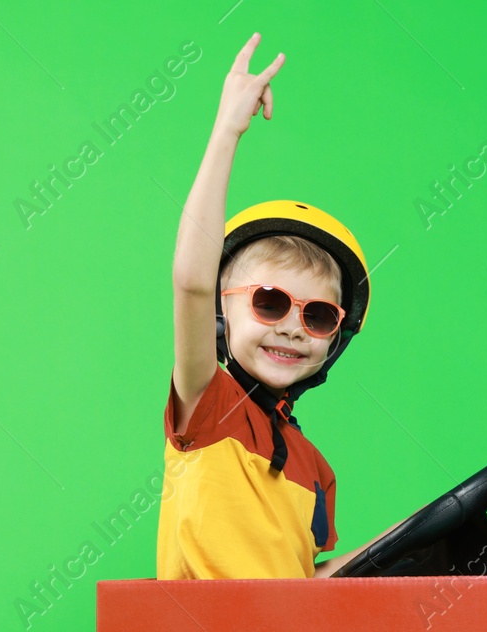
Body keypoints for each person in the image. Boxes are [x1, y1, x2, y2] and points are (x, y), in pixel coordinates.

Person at [158, 32, 394, 579]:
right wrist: (227, 131)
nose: (292, 328)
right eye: (270, 303)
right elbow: (190, 281)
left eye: (316, 316)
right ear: (223, 310)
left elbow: (303, 587)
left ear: (337, 335)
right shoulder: (208, 405)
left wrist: (404, 539)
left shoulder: (316, 469)